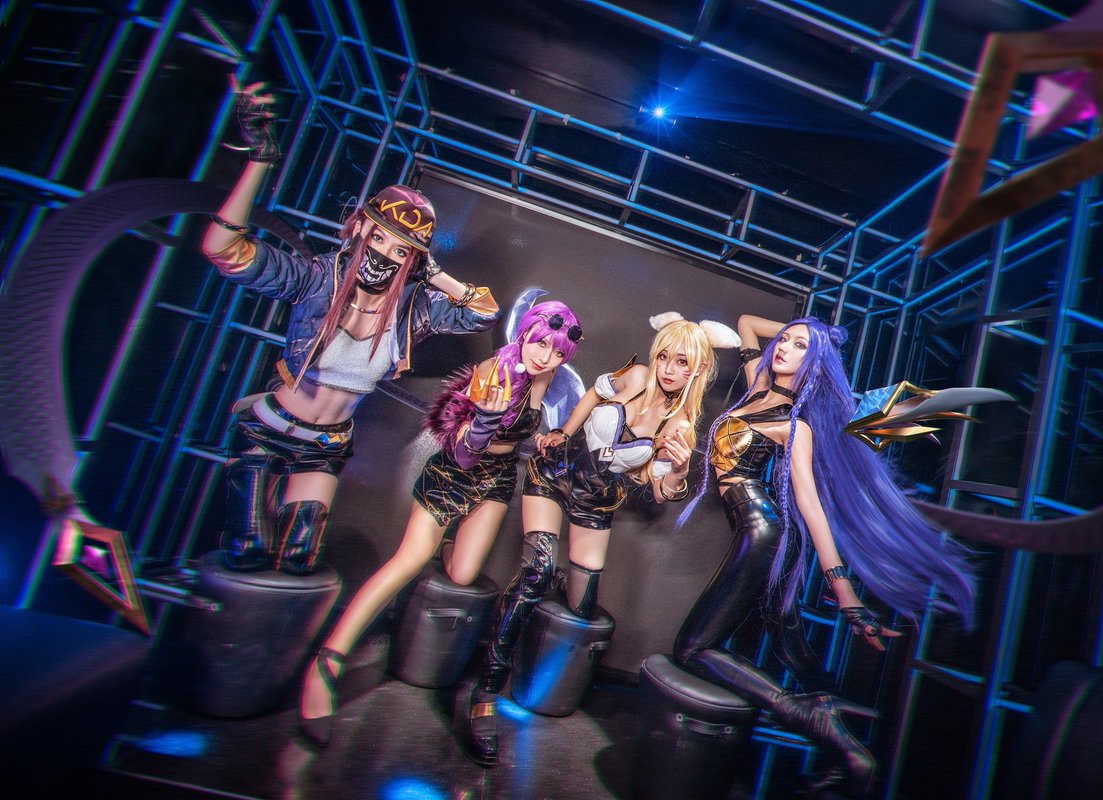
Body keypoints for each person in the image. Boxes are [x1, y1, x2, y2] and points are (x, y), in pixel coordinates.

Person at [200, 80, 500, 575]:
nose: (385, 255)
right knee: (246, 551)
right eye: (379, 237)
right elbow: (222, 249)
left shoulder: (413, 310)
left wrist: (435, 274)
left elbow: (485, 312)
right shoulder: (316, 279)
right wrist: (260, 161)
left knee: (299, 559)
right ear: (359, 227)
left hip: (325, 446)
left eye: (401, 250)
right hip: (268, 430)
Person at [672, 314, 977, 799]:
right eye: (784, 341)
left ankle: (812, 718)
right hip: (761, 533)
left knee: (693, 650)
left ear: (813, 364)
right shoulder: (757, 388)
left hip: (765, 534)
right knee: (787, 636)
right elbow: (747, 323)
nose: (783, 348)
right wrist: (820, 335)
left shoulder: (794, 425)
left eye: (798, 347)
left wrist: (844, 590)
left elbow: (811, 508)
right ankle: (843, 746)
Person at [296, 302, 584, 745]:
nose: (545, 357)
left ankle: (448, 544)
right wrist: (486, 420)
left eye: (557, 352)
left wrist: (548, 436)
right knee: (409, 560)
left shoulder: (543, 375)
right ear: (525, 333)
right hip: (454, 472)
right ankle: (327, 662)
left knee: (463, 574)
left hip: (497, 478)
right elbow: (464, 453)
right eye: (541, 343)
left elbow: (536, 418)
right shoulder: (492, 374)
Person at [465, 312, 740, 766]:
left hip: (596, 502)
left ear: (699, 369)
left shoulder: (680, 427)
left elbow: (660, 491)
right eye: (665, 357)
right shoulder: (635, 376)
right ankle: (487, 692)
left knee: (581, 606)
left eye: (682, 363)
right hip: (555, 475)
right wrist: (562, 432)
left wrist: (678, 470)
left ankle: (549, 593)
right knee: (537, 569)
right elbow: (594, 394)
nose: (669, 369)